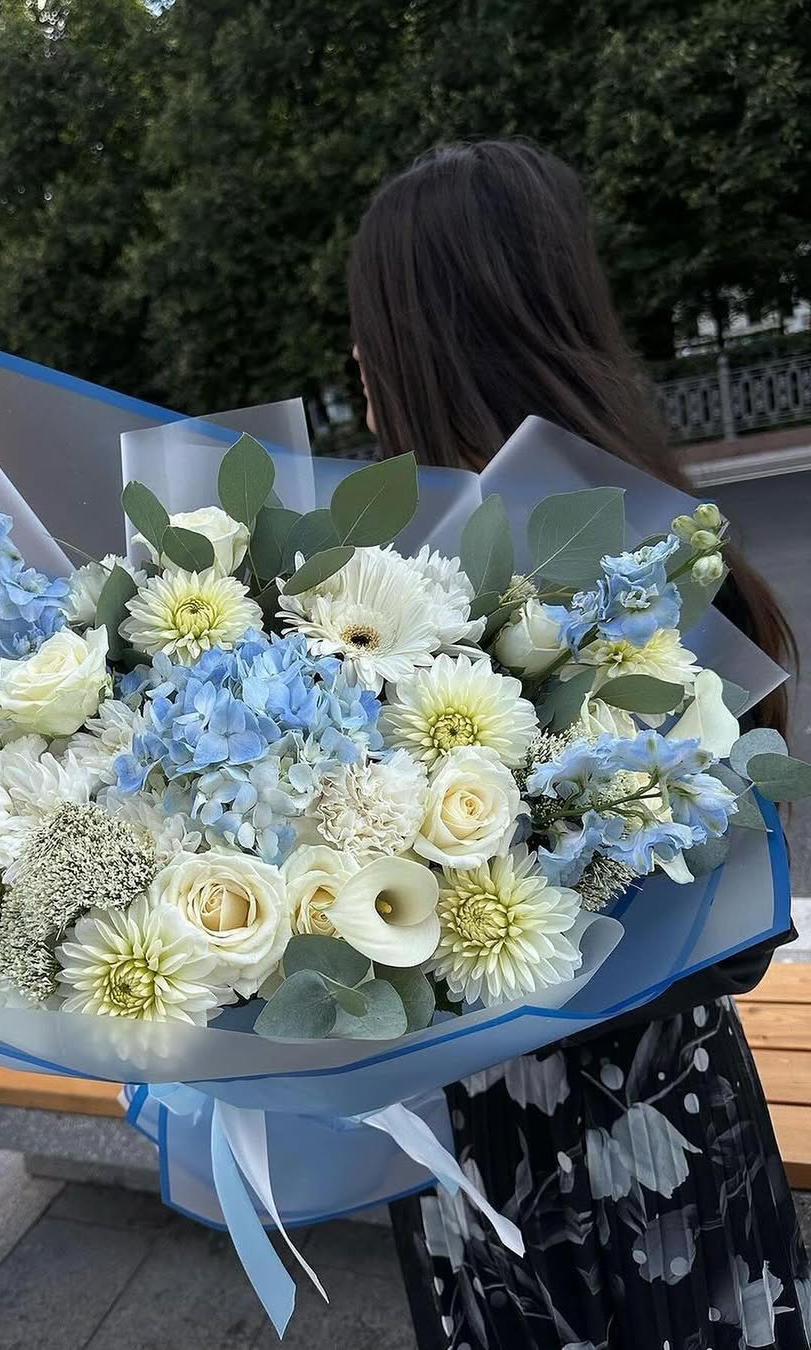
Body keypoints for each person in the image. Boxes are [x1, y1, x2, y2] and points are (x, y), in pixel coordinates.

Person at [347, 140, 809, 1350]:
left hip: (493, 1175)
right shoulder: (669, 576)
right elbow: (736, 945)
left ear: (408, 348)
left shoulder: (378, 624)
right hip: (672, 1133)